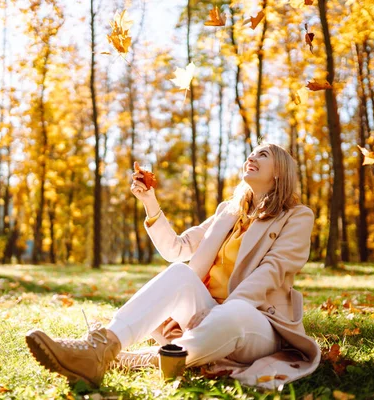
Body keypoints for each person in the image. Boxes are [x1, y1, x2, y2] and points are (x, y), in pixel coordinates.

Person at [25, 142, 320, 388]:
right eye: (251, 152)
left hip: (256, 321)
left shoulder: (296, 216)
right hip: (206, 314)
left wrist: (223, 310)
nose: (251, 156)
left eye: (262, 154)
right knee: (180, 272)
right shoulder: (228, 212)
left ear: (279, 172)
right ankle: (100, 348)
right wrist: (149, 202)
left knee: (235, 314)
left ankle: (142, 359)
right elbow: (176, 249)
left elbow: (272, 271)